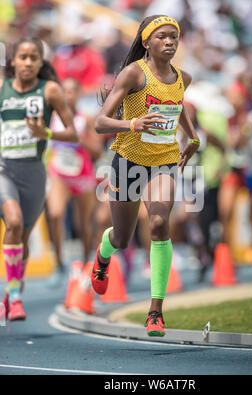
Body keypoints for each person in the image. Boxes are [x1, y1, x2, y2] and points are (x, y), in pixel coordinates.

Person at [90, 15, 200, 337]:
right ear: (147, 42)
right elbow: (100, 122)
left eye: (174, 37)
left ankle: (155, 311)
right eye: (162, 37)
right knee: (122, 238)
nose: (170, 42)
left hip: (163, 161)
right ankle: (103, 254)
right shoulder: (133, 74)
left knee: (157, 223)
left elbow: (177, 107)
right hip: (128, 162)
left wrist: (191, 137)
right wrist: (132, 124)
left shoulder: (184, 77)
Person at [0, 36, 78, 320]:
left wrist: (45, 133)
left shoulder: (50, 91)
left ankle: (11, 293)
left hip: (33, 172)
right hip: (3, 169)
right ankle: (17, 298)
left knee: (22, 237)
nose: (28, 62)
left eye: (34, 57)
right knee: (14, 221)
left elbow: (73, 134)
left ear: (41, 62)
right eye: (23, 57)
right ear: (13, 61)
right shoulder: (2, 88)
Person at [46, 77, 102, 287]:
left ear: (78, 94)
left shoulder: (85, 120)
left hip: (82, 174)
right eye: (64, 91)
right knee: (55, 214)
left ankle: (87, 263)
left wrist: (79, 138)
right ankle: (59, 264)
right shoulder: (51, 118)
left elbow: (97, 150)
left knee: (84, 224)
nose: (68, 95)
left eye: (72, 91)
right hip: (59, 173)